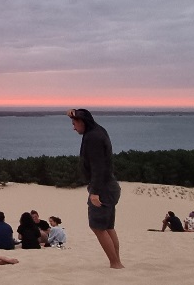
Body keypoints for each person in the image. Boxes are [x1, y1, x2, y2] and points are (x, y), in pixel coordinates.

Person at [69, 108, 124, 269]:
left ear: (82, 122)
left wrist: (94, 192)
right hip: (109, 185)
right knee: (107, 227)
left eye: (74, 123)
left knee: (97, 226)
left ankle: (115, 263)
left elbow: (98, 167)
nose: (73, 127)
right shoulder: (97, 130)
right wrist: (74, 112)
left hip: (103, 188)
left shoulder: (93, 137)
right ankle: (116, 262)